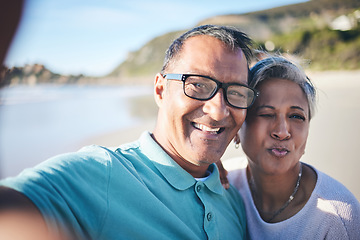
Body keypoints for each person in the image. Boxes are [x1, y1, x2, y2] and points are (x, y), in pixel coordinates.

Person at [0, 25, 258, 239]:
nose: (218, 111)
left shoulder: (233, 200)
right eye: (198, 85)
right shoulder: (102, 173)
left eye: (235, 93)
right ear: (160, 90)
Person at [224, 56, 360, 239]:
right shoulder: (222, 183)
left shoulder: (338, 217)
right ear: (239, 125)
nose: (282, 132)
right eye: (266, 114)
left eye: (296, 116)